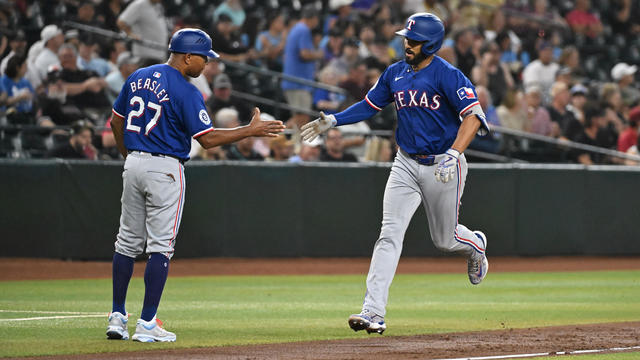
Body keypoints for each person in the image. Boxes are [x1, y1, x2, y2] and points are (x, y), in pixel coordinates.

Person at [301, 13, 489, 335]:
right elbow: (369, 105)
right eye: (406, 38)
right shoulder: (395, 72)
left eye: (413, 40)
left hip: (443, 163)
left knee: (444, 240)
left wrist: (454, 153)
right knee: (389, 235)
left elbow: (472, 117)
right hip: (405, 162)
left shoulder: (448, 75)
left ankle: (476, 246)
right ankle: (373, 311)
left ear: (429, 44)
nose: (407, 43)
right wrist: (334, 120)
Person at [106, 28, 284, 342]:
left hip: (133, 163)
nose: (206, 65)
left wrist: (128, 155)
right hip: (165, 168)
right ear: (188, 56)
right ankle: (147, 323)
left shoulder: (138, 76)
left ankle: (117, 317)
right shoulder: (188, 91)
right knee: (160, 247)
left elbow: (116, 120)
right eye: (204, 58)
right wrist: (249, 130)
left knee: (126, 243)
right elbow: (208, 139)